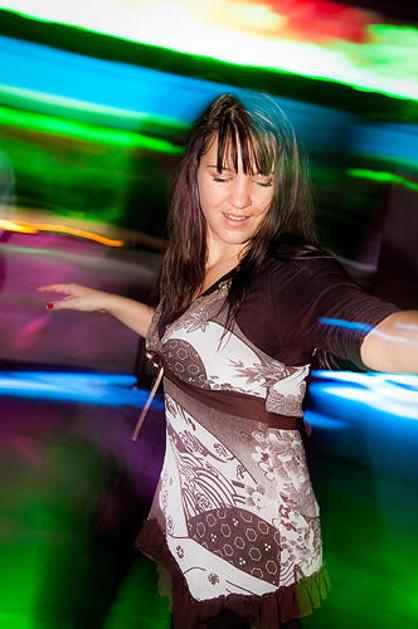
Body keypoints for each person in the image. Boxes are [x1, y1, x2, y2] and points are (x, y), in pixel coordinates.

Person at [38, 93, 418, 629]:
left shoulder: (291, 277)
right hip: (197, 529)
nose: (242, 199)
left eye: (261, 180)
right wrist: (109, 303)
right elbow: (185, 342)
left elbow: (379, 333)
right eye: (223, 175)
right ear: (192, 174)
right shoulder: (196, 263)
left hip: (254, 549)